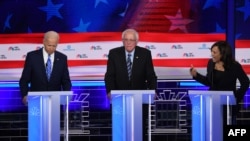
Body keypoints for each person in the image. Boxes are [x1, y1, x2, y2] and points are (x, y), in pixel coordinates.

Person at [190, 40, 249, 123]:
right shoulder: (211, 63)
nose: (212, 54)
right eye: (211, 52)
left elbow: (245, 83)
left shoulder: (234, 66)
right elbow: (209, 82)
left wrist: (235, 97)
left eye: (214, 52)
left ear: (222, 54)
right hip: (212, 103)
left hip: (227, 105)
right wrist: (196, 75)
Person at [19, 31, 72, 105]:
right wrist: (24, 95)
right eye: (49, 45)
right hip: (36, 101)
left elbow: (66, 81)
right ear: (43, 42)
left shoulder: (62, 58)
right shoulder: (32, 57)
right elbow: (24, 80)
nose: (51, 48)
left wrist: (66, 95)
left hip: (55, 103)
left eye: (54, 46)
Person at [104, 28, 157, 99]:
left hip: (140, 96)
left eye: (131, 40)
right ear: (122, 41)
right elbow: (109, 76)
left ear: (136, 41)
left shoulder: (145, 54)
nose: (128, 42)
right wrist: (110, 91)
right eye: (126, 40)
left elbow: (151, 76)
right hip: (119, 96)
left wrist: (153, 90)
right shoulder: (114, 54)